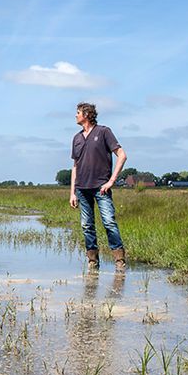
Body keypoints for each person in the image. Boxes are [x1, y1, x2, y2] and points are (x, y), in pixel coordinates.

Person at [69, 102, 127, 272]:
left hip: (101, 187)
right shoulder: (76, 138)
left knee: (109, 222)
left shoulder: (104, 132)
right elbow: (75, 166)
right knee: (86, 225)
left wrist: (111, 181)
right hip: (81, 188)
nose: (76, 115)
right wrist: (72, 192)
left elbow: (122, 155)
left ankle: (119, 260)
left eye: (78, 112)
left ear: (86, 114)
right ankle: (93, 261)